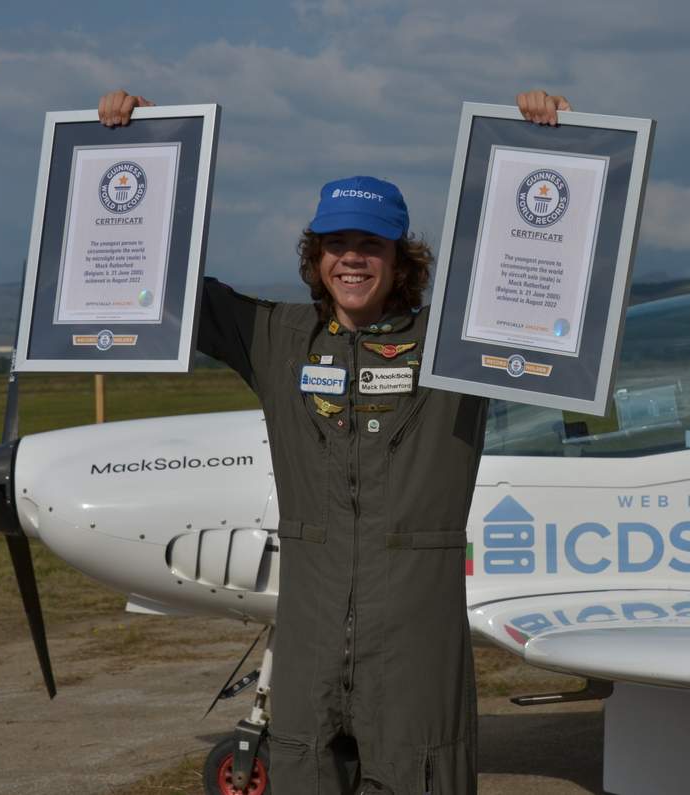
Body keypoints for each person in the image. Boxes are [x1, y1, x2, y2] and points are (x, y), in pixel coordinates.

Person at [98, 88, 571, 794]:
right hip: (310, 627)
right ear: (316, 255)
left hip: (415, 628)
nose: (352, 258)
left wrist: (549, 144)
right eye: (336, 243)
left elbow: (550, 278)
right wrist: (129, 149)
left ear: (400, 256)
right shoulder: (277, 336)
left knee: (423, 772)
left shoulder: (457, 343)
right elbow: (156, 278)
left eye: (370, 243)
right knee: (304, 769)